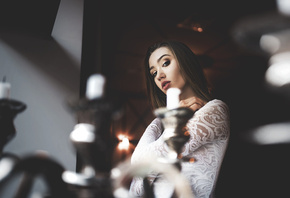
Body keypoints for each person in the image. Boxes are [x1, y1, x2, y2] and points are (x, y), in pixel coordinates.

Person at [129, 40, 230, 198]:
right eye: (153, 73)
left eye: (166, 62)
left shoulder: (215, 110)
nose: (160, 76)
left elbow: (145, 164)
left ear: (185, 62)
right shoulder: (159, 125)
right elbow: (136, 168)